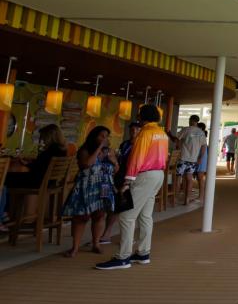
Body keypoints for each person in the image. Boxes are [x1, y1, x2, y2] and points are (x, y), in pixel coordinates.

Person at [96, 104, 168, 270]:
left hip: (144, 176)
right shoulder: (161, 133)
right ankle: (143, 253)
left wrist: (127, 182)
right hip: (158, 175)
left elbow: (137, 158)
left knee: (127, 216)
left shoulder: (145, 133)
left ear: (142, 117)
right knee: (145, 216)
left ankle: (123, 257)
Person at [62, 125, 117, 257]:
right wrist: (99, 149)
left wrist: (114, 162)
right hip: (87, 186)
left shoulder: (109, 151)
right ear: (94, 137)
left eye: (106, 136)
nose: (104, 139)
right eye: (101, 136)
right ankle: (75, 247)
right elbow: (87, 164)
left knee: (99, 215)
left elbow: (115, 170)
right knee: (81, 217)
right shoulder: (84, 150)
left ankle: (96, 243)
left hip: (103, 186)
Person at [100, 121, 141, 245]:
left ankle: (128, 238)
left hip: (132, 178)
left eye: (137, 129)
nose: (133, 131)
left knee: (127, 210)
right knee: (116, 206)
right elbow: (121, 160)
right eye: (132, 129)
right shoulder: (125, 144)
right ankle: (107, 234)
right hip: (120, 176)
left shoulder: (141, 146)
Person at [6, 123, 68, 190]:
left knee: (5, 177)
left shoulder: (51, 150)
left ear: (49, 137)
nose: (43, 141)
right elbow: (43, 165)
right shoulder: (62, 151)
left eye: (43, 137)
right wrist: (30, 162)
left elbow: (38, 169)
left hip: (37, 183)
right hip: (49, 183)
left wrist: (27, 164)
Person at [176, 114, 206, 205]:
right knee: (189, 178)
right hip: (193, 159)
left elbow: (176, 139)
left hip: (183, 158)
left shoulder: (186, 129)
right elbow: (204, 146)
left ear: (191, 120)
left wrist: (169, 134)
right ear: (197, 121)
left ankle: (175, 198)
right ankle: (187, 199)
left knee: (178, 177)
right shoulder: (201, 133)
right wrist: (200, 158)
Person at [195, 122, 208, 201]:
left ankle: (201, 196)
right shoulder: (201, 135)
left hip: (201, 158)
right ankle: (201, 195)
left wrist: (199, 158)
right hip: (200, 158)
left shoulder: (201, 135)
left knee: (200, 178)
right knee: (199, 178)